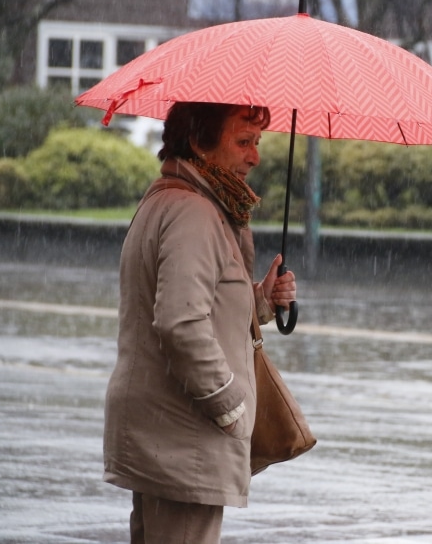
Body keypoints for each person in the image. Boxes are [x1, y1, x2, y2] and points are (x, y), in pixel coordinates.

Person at [103, 102, 297, 544]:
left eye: (258, 143)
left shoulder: (176, 200)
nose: (255, 157)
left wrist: (261, 301)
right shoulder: (194, 213)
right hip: (184, 439)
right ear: (198, 143)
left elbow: (196, 304)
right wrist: (229, 405)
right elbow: (180, 321)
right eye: (243, 142)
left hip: (165, 434)